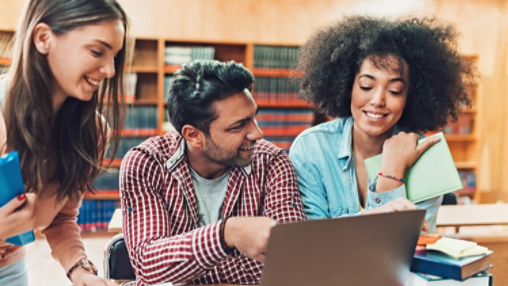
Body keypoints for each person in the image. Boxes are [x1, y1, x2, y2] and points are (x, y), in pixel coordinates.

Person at [120, 60, 306, 285]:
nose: (258, 133)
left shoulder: (273, 163)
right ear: (193, 135)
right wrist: (228, 234)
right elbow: (148, 265)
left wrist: (181, 268)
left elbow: (290, 261)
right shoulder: (146, 163)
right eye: (238, 126)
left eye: (253, 117)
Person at [289, 16, 478, 233]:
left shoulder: (427, 159)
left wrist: (390, 176)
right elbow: (311, 243)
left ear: (410, 97)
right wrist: (389, 178)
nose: (378, 100)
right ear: (347, 86)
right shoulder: (311, 149)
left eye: (395, 90)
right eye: (366, 86)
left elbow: (407, 252)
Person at [0, 0, 130, 285]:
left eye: (115, 56)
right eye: (97, 51)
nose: (109, 70)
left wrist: (81, 271)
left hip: (9, 271)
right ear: (44, 38)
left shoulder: (92, 132)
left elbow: (60, 218)